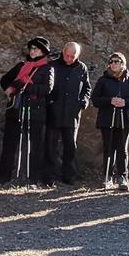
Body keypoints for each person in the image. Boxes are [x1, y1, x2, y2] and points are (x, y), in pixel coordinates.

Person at [0, 37, 55, 186]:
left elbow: (46, 89)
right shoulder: (22, 65)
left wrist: (23, 86)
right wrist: (10, 89)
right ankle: (4, 177)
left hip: (35, 111)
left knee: (35, 146)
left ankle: (33, 179)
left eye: (36, 49)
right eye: (32, 48)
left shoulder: (47, 68)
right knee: (9, 144)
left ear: (43, 51)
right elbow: (5, 79)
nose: (33, 51)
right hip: (16, 109)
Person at [45, 42, 91, 187]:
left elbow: (87, 88)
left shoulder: (81, 68)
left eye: (73, 56)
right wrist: (50, 102)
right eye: (67, 55)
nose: (69, 58)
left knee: (70, 146)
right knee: (50, 145)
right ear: (63, 52)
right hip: (54, 112)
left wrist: (83, 103)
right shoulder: (53, 65)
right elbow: (46, 87)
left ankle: (69, 175)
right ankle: (49, 176)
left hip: (72, 114)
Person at [93, 52, 129, 191]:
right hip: (107, 119)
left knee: (122, 149)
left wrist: (125, 102)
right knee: (108, 148)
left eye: (117, 61)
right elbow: (95, 99)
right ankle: (107, 176)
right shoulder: (103, 80)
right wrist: (110, 100)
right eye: (111, 61)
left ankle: (122, 177)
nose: (113, 63)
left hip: (124, 119)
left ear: (123, 64)